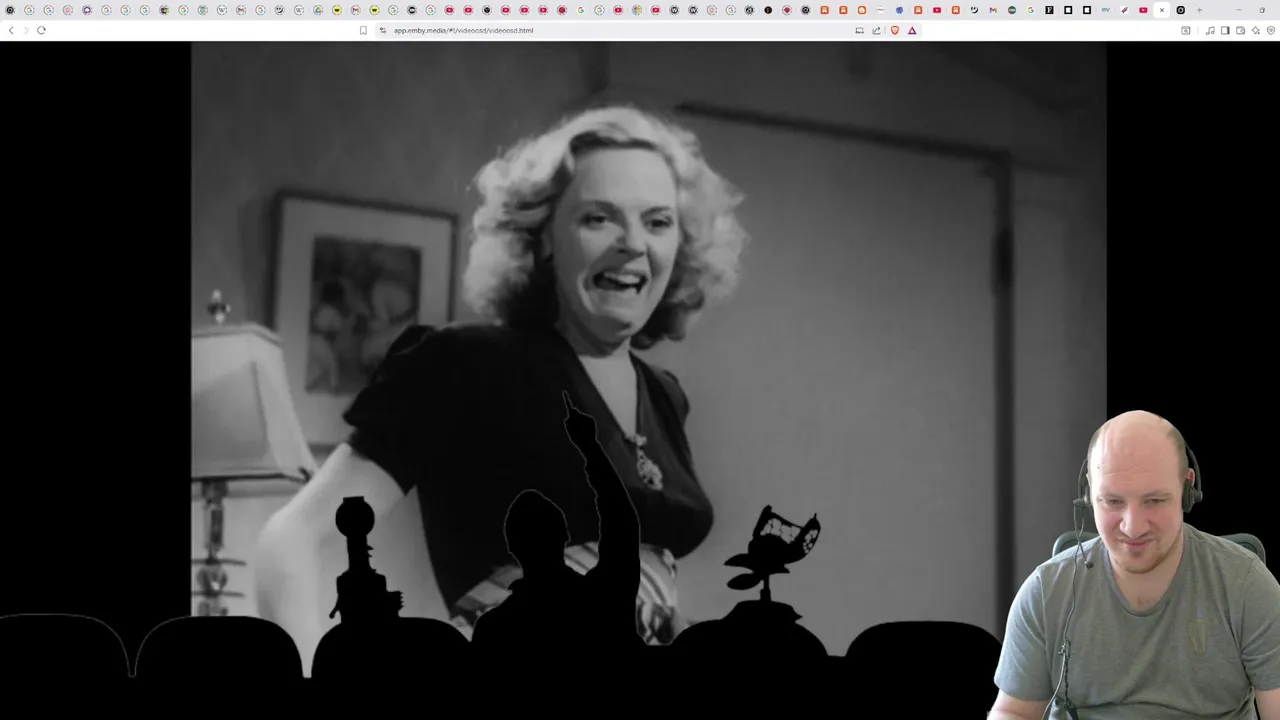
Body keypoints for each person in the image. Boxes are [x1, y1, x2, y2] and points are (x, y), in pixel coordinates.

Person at [253, 105, 749, 674]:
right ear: (543, 239)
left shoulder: (664, 396)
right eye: (599, 218)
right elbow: (291, 540)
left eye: (658, 222)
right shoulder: (466, 364)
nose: (633, 244)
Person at [989, 410, 1280, 720]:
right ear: (1089, 494)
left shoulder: (1248, 586)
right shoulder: (1046, 592)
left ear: (1187, 491)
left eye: (1154, 501)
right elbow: (1013, 712)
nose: (1133, 527)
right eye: (1112, 501)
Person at [469, 393, 645, 665]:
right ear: (564, 534)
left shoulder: (494, 630)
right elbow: (622, 522)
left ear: (513, 547)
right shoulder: (604, 597)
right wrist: (589, 446)